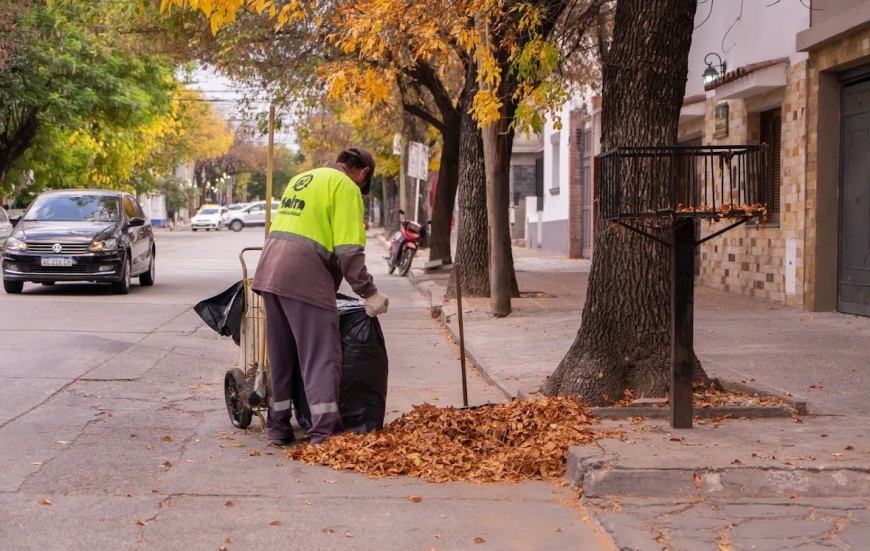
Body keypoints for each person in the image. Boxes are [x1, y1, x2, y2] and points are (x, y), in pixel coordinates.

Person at [252, 147, 389, 446]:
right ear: (363, 173)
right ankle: (324, 433)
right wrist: (369, 292)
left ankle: (277, 428)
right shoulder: (346, 188)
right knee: (322, 357)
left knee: (282, 356)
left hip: (270, 272)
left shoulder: (303, 178)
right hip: (305, 278)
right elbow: (349, 252)